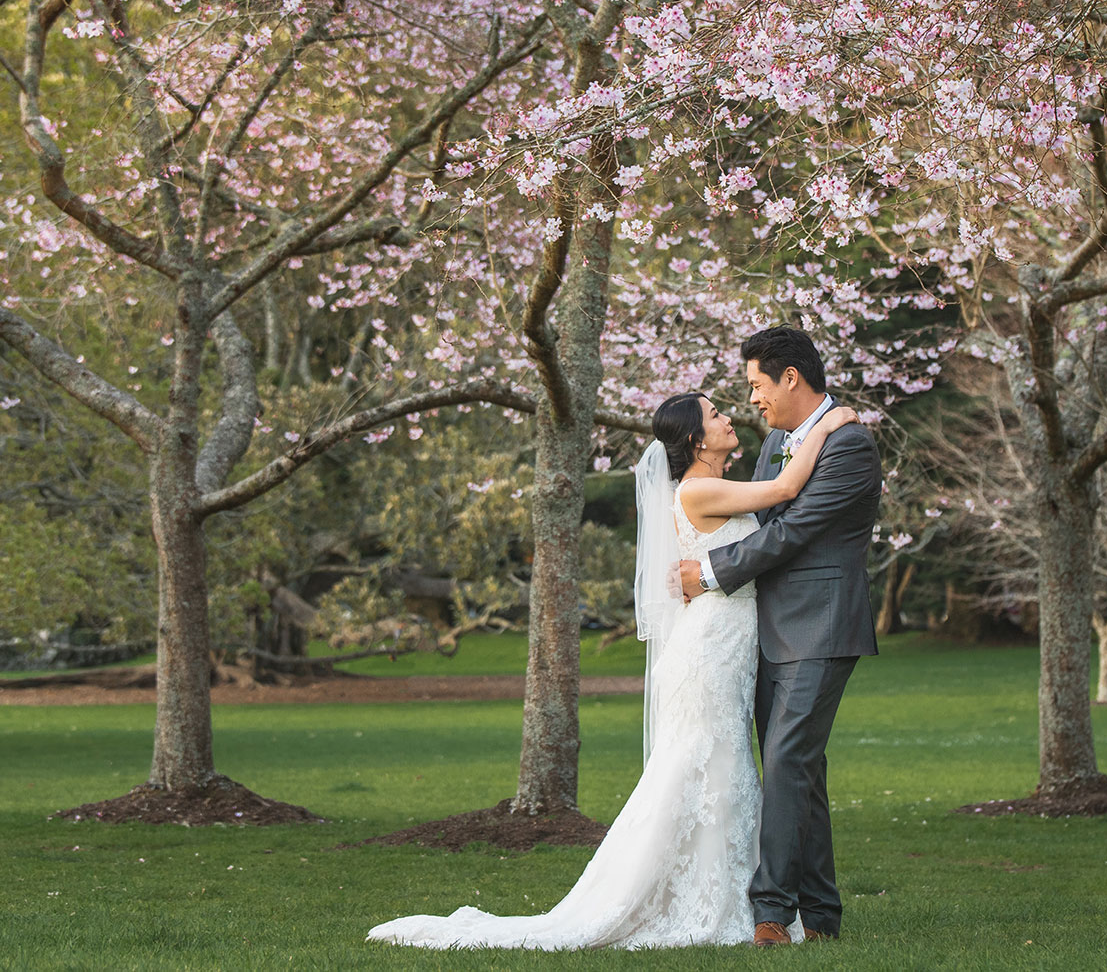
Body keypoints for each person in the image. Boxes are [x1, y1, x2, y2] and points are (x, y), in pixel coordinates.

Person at [366, 371, 858, 950]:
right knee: (706, 764)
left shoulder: (714, 487)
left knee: (726, 769)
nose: (730, 417)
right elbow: (783, 491)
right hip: (709, 653)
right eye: (715, 415)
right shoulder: (698, 492)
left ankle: (734, 896)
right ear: (698, 443)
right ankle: (700, 900)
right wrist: (830, 421)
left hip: (729, 647)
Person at [680, 325, 881, 946]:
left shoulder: (849, 445)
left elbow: (794, 532)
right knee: (801, 769)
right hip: (767, 632)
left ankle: (770, 913)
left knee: (788, 761)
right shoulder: (775, 446)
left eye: (757, 385)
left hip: (821, 626)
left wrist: (710, 572)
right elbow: (771, 511)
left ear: (790, 377)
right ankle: (820, 917)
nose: (754, 399)